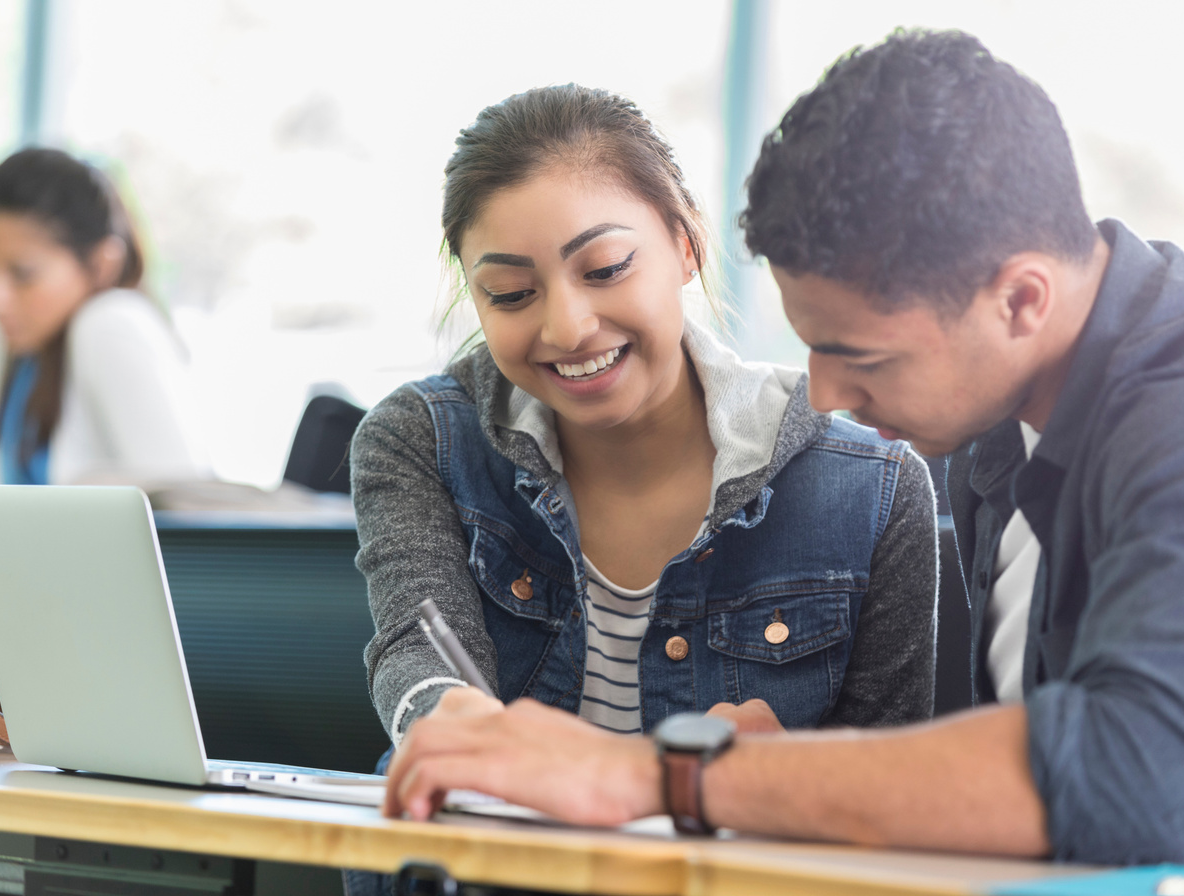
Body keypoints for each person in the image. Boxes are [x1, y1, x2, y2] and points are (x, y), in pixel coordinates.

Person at [374, 31, 1184, 866]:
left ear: (1021, 300)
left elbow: (1140, 783)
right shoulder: (997, 410)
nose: (826, 396)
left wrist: (669, 776)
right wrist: (779, 771)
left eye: (858, 354)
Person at [350, 85, 938, 770]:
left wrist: (788, 783)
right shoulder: (419, 441)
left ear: (686, 248)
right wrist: (449, 723)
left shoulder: (874, 494)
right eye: (511, 294)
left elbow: (883, 802)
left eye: (605, 269)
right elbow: (414, 650)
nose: (566, 327)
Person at [0, 148, 209, 485]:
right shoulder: (11, 351)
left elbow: (182, 500)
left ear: (102, 265)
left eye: (23, 273)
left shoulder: (109, 322)